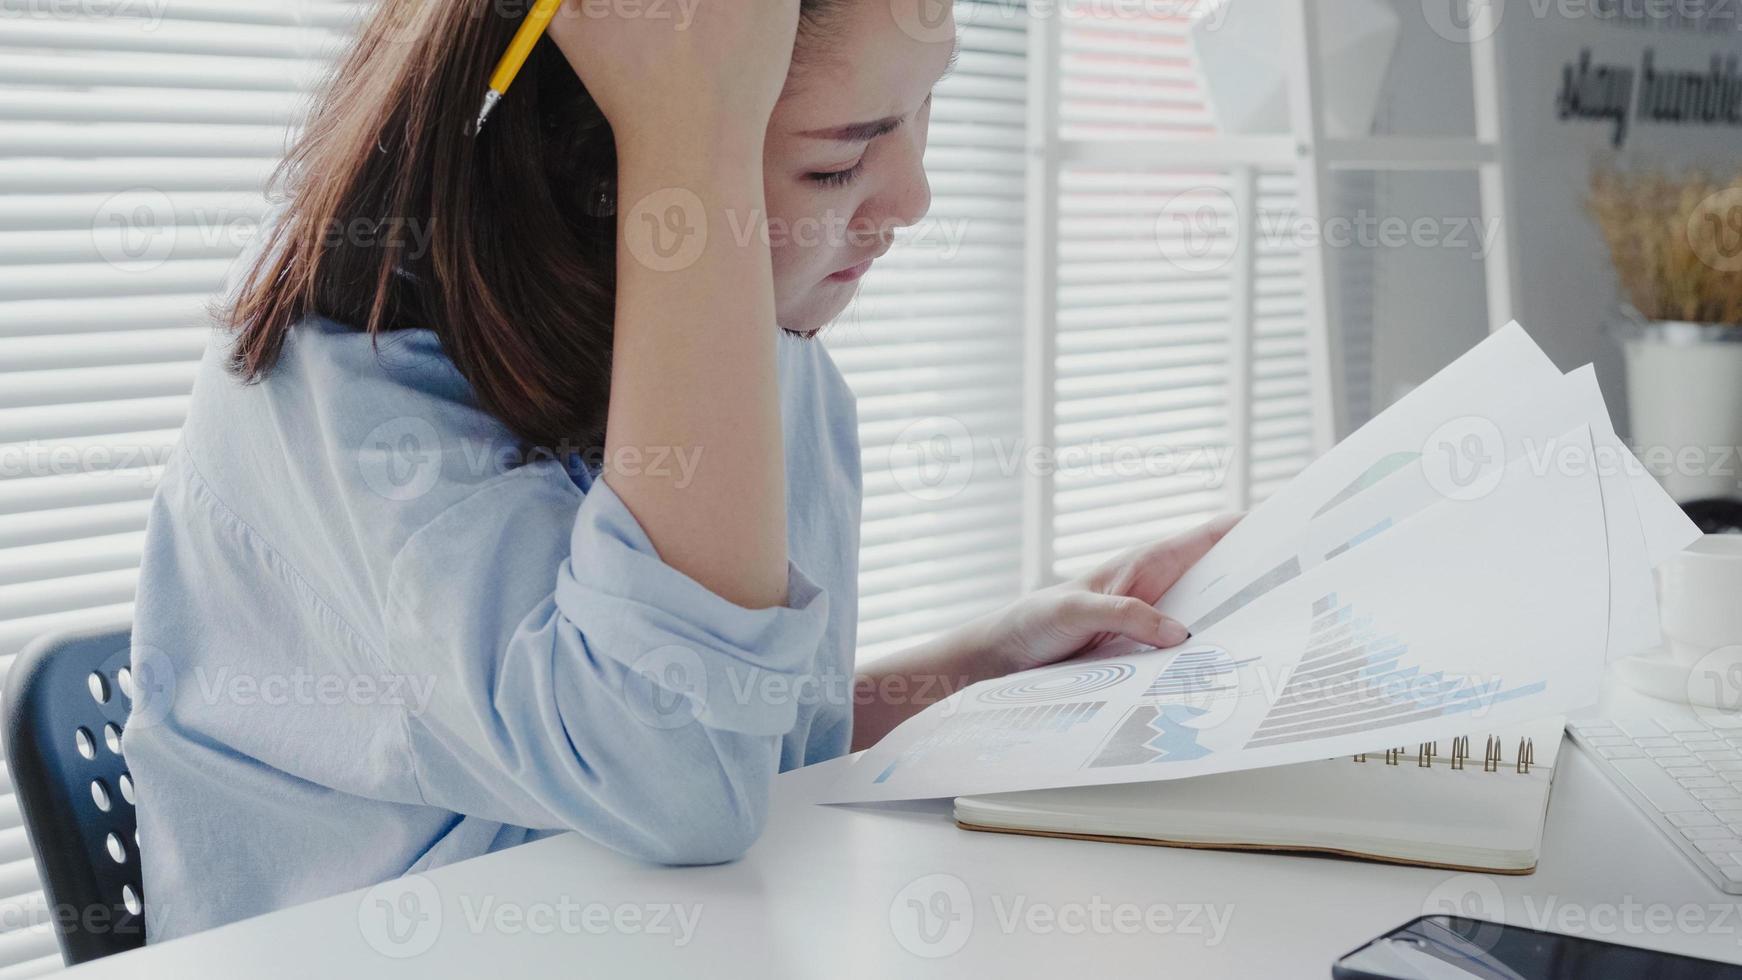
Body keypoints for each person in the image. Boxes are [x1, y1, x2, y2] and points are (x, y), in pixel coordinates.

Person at [126, 0, 1235, 940]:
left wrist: (975, 667)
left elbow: (727, 742)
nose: (911, 200)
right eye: (837, 159)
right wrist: (687, 135)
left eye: (920, 114)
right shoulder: (361, 412)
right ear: (600, 161)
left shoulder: (769, 357)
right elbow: (672, 781)